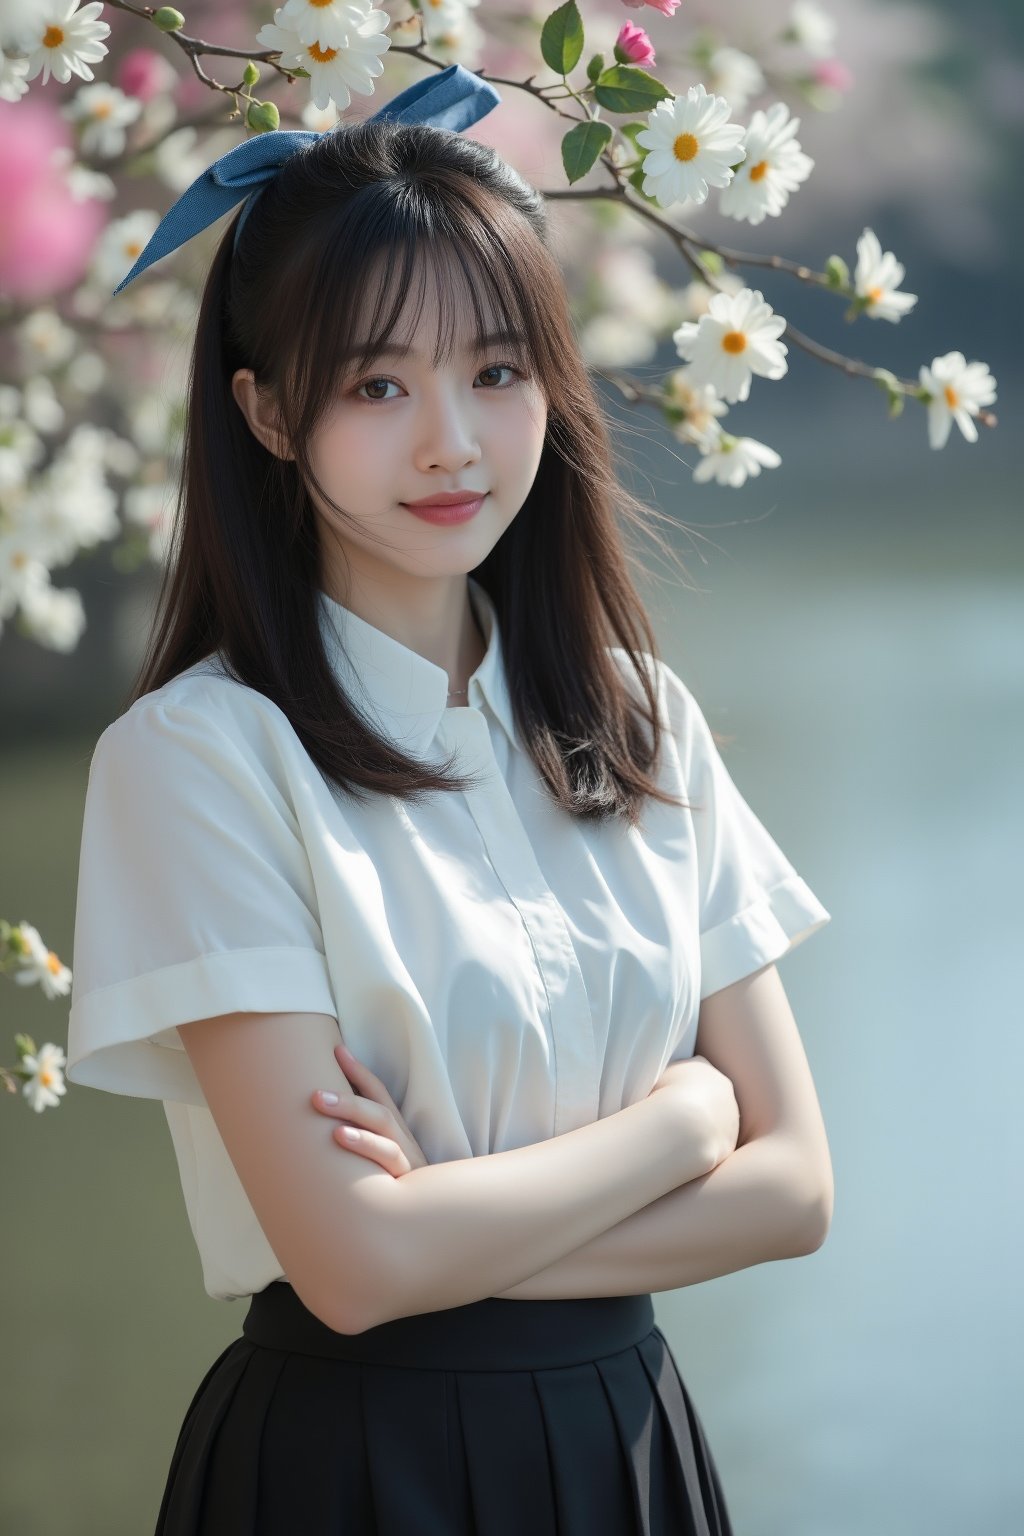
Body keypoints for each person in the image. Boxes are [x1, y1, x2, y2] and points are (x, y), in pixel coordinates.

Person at [65, 63, 834, 1536]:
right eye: (376, 385)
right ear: (270, 413)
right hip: (354, 1470)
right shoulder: (201, 757)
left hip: (627, 1447)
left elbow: (795, 1189)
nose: (453, 445)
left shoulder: (640, 718)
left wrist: (438, 1236)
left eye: (495, 372)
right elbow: (349, 1271)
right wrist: (680, 1127)